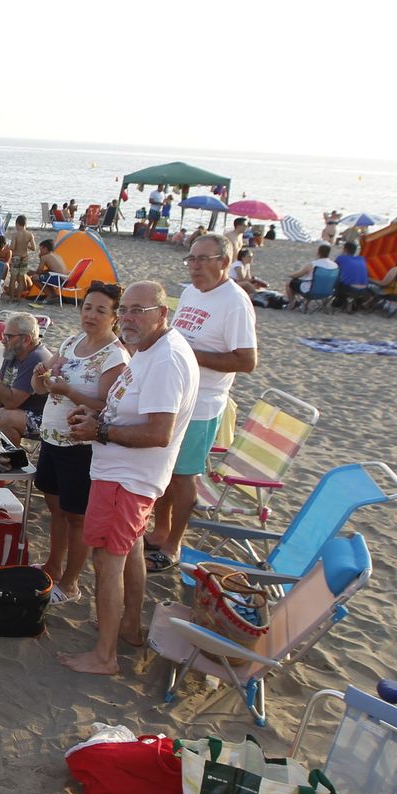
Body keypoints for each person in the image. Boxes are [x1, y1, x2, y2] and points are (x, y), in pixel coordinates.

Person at [58, 281, 199, 675]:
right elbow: (132, 409)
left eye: (139, 310)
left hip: (127, 479)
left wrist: (100, 431)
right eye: (125, 310)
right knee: (131, 550)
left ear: (162, 313)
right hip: (126, 474)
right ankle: (129, 627)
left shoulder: (166, 360)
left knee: (108, 560)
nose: (128, 318)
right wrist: (98, 417)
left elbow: (159, 432)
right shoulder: (151, 350)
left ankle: (104, 656)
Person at [143, 234, 257, 573]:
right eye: (190, 259)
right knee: (165, 467)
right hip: (173, 394)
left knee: (183, 477)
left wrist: (191, 355)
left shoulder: (235, 302)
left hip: (203, 402)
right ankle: (160, 530)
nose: (194, 266)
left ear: (225, 262)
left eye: (202, 259)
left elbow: (247, 361)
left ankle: (174, 545)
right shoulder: (192, 292)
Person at [31, 282, 129, 605]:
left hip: (81, 446)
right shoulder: (72, 342)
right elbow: (43, 387)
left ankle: (71, 582)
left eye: (101, 310)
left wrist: (69, 392)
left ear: (114, 317)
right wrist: (40, 375)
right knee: (55, 509)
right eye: (87, 307)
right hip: (52, 437)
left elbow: (108, 408)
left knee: (77, 517)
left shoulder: (115, 356)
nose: (91, 315)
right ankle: (53, 566)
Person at [0, 314, 48, 443]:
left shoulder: (36, 359)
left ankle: (10, 455)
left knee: (4, 417)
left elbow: (11, 402)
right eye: (3, 335)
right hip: (19, 409)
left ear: (26, 340)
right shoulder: (14, 351)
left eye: (8, 337)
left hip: (43, 418)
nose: (3, 340)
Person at [332, 238, 375, 310]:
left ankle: (340, 301)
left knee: (337, 279)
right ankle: (351, 302)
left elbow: (332, 268)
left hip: (350, 289)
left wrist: (341, 255)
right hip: (364, 290)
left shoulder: (341, 258)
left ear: (345, 250)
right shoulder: (361, 259)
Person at [5, 215, 37, 298]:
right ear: (25, 224)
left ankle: (12, 298)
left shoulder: (15, 234)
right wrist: (26, 245)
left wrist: (7, 247)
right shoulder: (30, 235)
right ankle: (19, 298)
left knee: (13, 278)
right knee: (21, 278)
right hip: (24, 258)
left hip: (16, 257)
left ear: (17, 224)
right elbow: (34, 248)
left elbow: (13, 247)